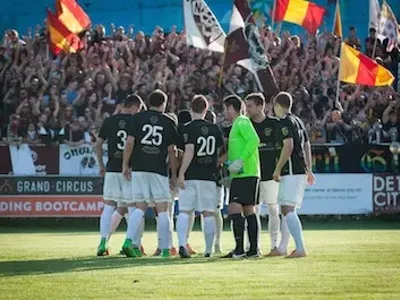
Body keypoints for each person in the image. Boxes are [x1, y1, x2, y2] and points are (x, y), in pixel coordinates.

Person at [122, 89, 179, 258]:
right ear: (163, 104)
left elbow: (130, 143)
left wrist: (126, 165)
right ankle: (166, 249)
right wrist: (174, 174)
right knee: (163, 210)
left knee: (139, 206)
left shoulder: (137, 118)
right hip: (158, 169)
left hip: (139, 167)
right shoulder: (168, 122)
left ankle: (128, 241)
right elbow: (172, 150)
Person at [95, 94, 144, 256]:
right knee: (132, 208)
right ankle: (131, 243)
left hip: (111, 169)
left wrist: (101, 165)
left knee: (108, 207)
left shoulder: (109, 121)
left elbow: (98, 144)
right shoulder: (135, 121)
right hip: (129, 170)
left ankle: (103, 242)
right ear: (135, 107)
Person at [176, 95, 223, 258]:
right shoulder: (215, 129)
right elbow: (220, 152)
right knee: (208, 213)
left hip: (191, 175)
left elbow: (189, 151)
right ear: (206, 109)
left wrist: (181, 172)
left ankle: (182, 244)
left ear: (190, 109)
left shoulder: (187, 128)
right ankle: (209, 250)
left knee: (184, 211)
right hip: (209, 177)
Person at [245, 93, 290, 256]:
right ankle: (252, 245)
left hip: (271, 175)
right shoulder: (246, 124)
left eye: (250, 106)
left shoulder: (275, 124)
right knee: (252, 211)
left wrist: (279, 169)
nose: (247, 109)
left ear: (260, 106)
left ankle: (274, 246)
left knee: (273, 209)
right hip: (252, 175)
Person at [272, 92, 316, 258]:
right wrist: (309, 169)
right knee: (287, 208)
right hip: (299, 170)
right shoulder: (298, 121)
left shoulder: (284, 122)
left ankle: (300, 248)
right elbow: (306, 145)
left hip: (290, 170)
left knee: (287, 209)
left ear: (277, 105)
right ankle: (283, 248)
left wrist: (277, 169)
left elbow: (288, 146)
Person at [221, 95, 260, 259]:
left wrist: (240, 160)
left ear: (231, 108)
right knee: (248, 210)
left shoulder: (241, 121)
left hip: (246, 173)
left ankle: (239, 250)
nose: (224, 112)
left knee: (234, 209)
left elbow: (254, 140)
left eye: (225, 108)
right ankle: (252, 250)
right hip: (245, 173)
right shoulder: (239, 123)